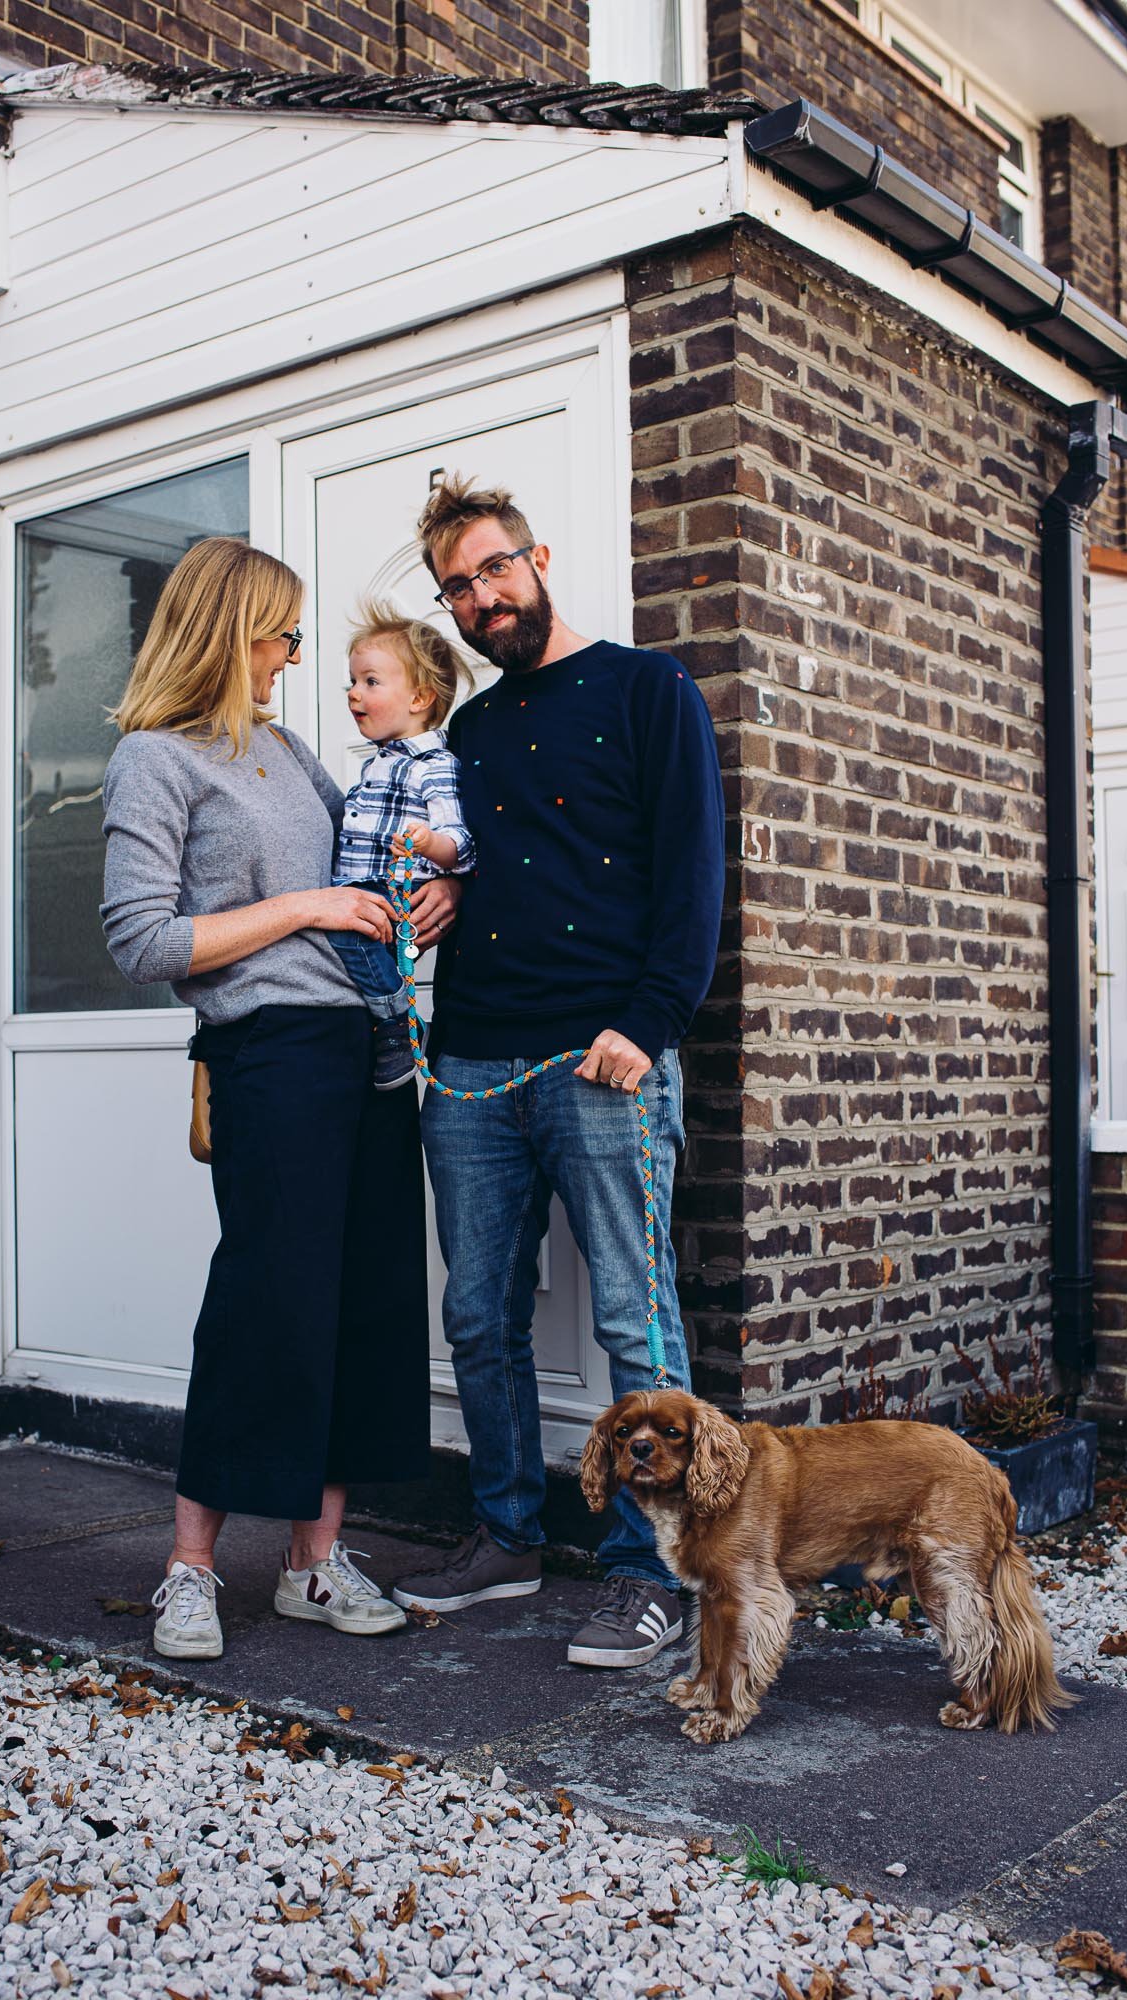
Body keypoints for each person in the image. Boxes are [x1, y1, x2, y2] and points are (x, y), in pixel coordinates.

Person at [390, 476, 726, 1669]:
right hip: (473, 1063)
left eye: (494, 570)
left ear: (538, 557)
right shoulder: (466, 733)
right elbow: (489, 858)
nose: (481, 598)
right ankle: (507, 1534)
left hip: (603, 1058)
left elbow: (692, 876)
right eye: (458, 588)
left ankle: (654, 1572)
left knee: (639, 1322)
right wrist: (448, 890)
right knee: (477, 1311)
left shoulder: (650, 690)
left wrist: (651, 1019)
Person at [100, 537, 453, 1660]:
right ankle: (191, 1568)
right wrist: (304, 907)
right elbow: (141, 937)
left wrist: (431, 878)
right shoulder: (156, 759)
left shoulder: (292, 749)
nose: (294, 659)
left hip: (367, 1051)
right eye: (282, 636)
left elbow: (368, 873)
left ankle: (314, 1561)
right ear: (227, 630)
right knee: (266, 1300)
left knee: (362, 1298)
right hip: (270, 1051)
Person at [326, 602, 476, 1089]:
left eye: (370, 682)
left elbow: (461, 843)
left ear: (419, 698)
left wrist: (428, 842)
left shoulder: (432, 764)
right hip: (361, 885)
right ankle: (391, 1030)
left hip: (393, 889)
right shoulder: (378, 763)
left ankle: (400, 1026)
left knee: (349, 937)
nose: (353, 694)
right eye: (352, 682)